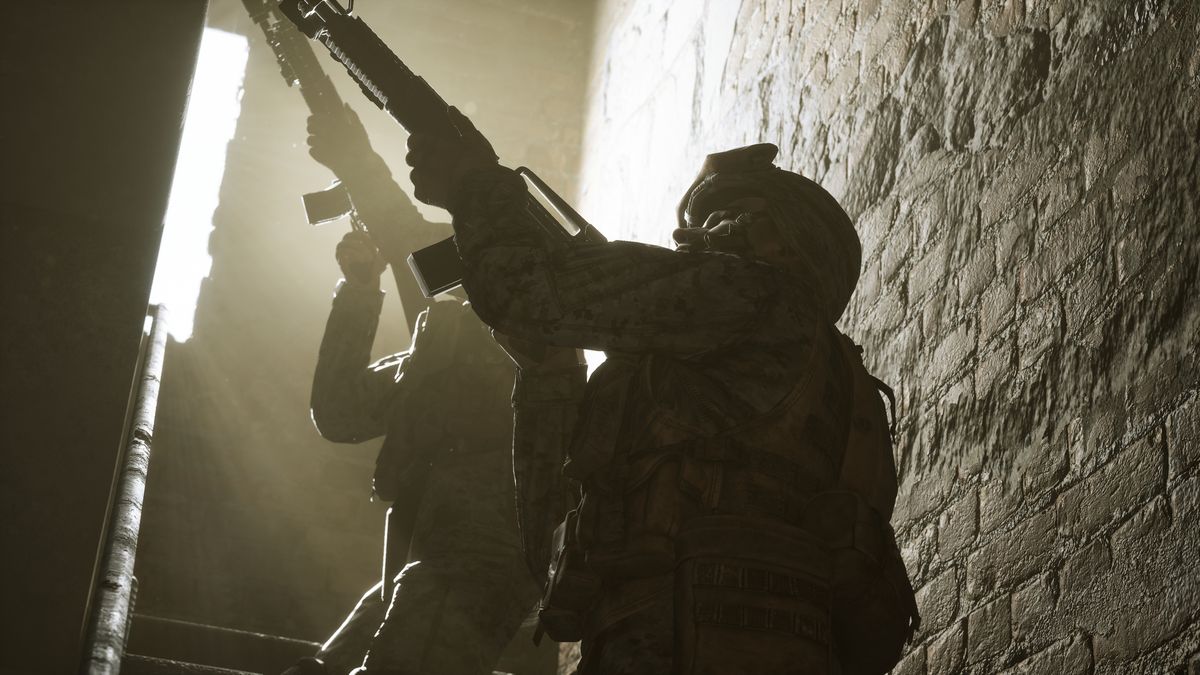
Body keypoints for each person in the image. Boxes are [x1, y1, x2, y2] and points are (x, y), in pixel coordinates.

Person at [403, 112, 920, 675]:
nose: (687, 236)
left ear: (792, 245)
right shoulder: (782, 377)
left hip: (684, 641)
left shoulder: (758, 298)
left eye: (727, 216)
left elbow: (529, 297)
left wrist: (475, 186)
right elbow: (550, 542)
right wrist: (549, 376)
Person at [296, 106, 562, 675]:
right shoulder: (443, 351)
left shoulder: (522, 320)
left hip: (479, 560)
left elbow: (407, 235)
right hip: (432, 557)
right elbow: (339, 413)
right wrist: (360, 292)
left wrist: (357, 162)